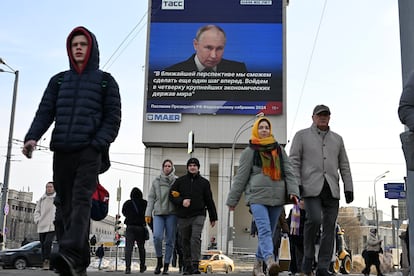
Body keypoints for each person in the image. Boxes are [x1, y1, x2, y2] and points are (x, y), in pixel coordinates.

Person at [22, 26, 121, 276]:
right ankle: (77, 262)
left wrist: (98, 143)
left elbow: (113, 118)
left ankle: (68, 251)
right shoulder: (58, 80)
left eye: (83, 44)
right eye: (74, 44)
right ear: (69, 49)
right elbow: (45, 112)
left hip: (89, 151)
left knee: (80, 201)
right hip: (62, 152)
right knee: (64, 204)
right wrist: (32, 137)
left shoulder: (105, 81)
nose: (78, 47)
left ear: (92, 48)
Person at [226, 117, 300, 276]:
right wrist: (233, 200)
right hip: (257, 198)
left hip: (277, 198)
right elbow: (241, 178)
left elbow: (289, 172)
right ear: (256, 130)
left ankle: (257, 266)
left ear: (270, 130)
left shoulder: (279, 150)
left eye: (267, 127)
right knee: (265, 230)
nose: (264, 130)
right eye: (261, 128)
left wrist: (293, 191)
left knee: (270, 232)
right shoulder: (249, 151)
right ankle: (270, 260)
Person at [289, 104, 354, 276]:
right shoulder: (301, 136)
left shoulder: (337, 139)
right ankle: (308, 259)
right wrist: (297, 184)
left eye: (326, 115)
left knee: (330, 228)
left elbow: (344, 165)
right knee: (315, 220)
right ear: (313, 117)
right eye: (320, 115)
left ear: (329, 118)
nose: (323, 118)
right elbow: (293, 161)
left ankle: (323, 266)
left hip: (332, 189)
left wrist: (349, 188)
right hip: (310, 188)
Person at [169, 157, 218, 275]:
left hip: (199, 214)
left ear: (198, 167)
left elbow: (209, 200)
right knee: (184, 240)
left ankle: (195, 264)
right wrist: (181, 201)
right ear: (187, 167)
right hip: (183, 216)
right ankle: (188, 266)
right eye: (190, 165)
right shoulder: (180, 181)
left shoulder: (204, 183)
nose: (192, 167)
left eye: (194, 165)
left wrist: (213, 216)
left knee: (195, 238)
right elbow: (172, 195)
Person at [165, 25, 247, 73]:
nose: (213, 55)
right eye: (208, 48)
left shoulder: (238, 70)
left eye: (219, 48)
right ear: (195, 45)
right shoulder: (172, 72)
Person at [145, 159, 178, 275]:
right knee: (157, 237)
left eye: (169, 166)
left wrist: (178, 195)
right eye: (165, 166)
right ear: (163, 167)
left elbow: (182, 196)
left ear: (172, 168)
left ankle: (166, 265)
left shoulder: (176, 181)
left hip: (172, 214)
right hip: (158, 213)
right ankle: (159, 260)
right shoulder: (156, 181)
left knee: (170, 240)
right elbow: (151, 198)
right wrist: (148, 214)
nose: (167, 168)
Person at [122, 187, 148, 274]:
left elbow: (123, 212)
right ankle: (142, 266)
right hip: (140, 228)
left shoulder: (127, 203)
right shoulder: (145, 203)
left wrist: (130, 216)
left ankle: (128, 268)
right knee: (141, 248)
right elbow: (147, 214)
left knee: (128, 248)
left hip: (130, 227)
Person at [34, 181, 56, 270]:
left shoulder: (57, 198)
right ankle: (44, 261)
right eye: (47, 187)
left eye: (51, 186)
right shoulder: (42, 199)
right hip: (42, 224)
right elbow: (37, 211)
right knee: (43, 244)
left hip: (52, 225)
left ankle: (47, 260)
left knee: (48, 242)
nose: (49, 188)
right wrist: (37, 220)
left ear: (54, 188)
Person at [287, 199, 306, 276]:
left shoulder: (308, 211)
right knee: (294, 254)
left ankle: (303, 270)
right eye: (300, 200)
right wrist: (289, 233)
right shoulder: (293, 210)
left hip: (304, 236)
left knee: (303, 254)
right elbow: (289, 222)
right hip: (294, 236)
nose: (302, 202)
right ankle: (295, 270)